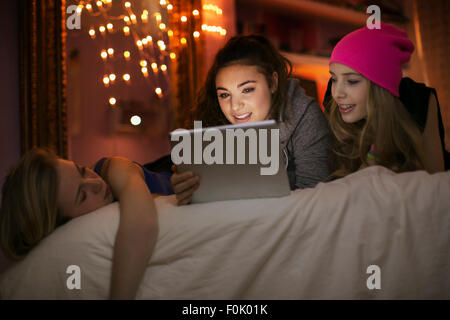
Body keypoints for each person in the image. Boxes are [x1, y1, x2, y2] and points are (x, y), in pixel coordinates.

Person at [171, 35, 331, 205]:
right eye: (225, 95)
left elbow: (313, 197)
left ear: (273, 83)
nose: (235, 106)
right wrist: (190, 191)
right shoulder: (214, 125)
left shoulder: (305, 116)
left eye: (247, 90)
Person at [0, 147, 173, 299]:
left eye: (82, 170)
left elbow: (143, 224)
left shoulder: (111, 169)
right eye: (82, 196)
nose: (96, 182)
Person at [325, 23, 447, 178]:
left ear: (381, 88)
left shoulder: (418, 101)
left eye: (352, 81)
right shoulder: (335, 109)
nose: (337, 94)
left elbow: (435, 183)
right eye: (334, 78)